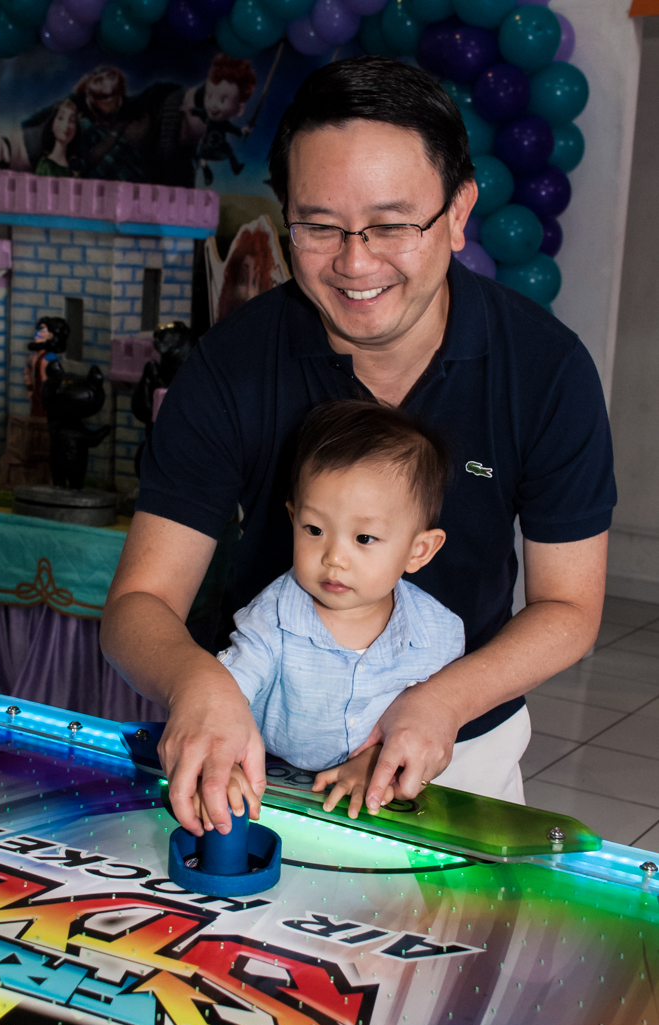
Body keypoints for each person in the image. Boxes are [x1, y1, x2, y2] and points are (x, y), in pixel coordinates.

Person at [100, 57, 616, 839]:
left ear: (457, 211)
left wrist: (439, 702)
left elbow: (568, 606)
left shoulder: (543, 369)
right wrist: (198, 685)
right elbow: (140, 603)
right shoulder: (233, 363)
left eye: (391, 224)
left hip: (455, 744)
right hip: (255, 753)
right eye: (317, 226)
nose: (354, 261)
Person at [208, 399, 463, 827]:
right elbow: (224, 698)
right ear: (293, 518)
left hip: (387, 814)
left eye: (364, 537)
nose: (334, 558)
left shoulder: (439, 634)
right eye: (314, 530)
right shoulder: (270, 616)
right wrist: (224, 758)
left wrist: (380, 763)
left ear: (419, 550)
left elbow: (429, 727)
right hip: (273, 794)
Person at [191, 53, 256, 187]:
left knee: (228, 152)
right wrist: (190, 110)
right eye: (209, 97)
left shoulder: (224, 124)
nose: (213, 105)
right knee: (200, 156)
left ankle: (235, 167)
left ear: (239, 110)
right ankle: (206, 171)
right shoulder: (207, 115)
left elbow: (236, 130)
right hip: (207, 146)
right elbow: (198, 112)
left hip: (219, 147)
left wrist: (244, 131)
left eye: (222, 100)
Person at [35, 98, 79, 178]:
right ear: (52, 123)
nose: (66, 125)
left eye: (72, 120)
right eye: (61, 118)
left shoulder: (74, 168)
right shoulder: (45, 165)